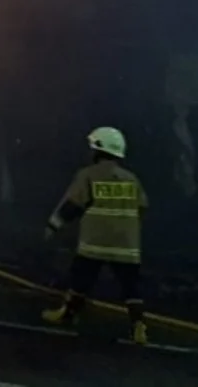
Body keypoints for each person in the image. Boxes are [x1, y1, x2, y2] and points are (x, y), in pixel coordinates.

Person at [42, 126, 149, 345]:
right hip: (127, 244)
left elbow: (72, 205)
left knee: (81, 277)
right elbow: (142, 206)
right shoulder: (131, 179)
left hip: (96, 242)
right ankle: (139, 326)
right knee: (131, 286)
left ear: (99, 150)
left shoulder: (88, 175)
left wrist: (52, 227)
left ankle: (68, 314)